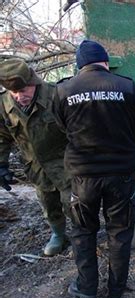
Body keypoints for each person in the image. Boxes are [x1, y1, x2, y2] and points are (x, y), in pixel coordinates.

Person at [54, 40, 135, 298]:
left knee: (83, 232)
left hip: (83, 176)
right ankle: (116, 290)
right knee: (120, 231)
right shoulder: (127, 86)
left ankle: (86, 288)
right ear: (105, 62)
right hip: (121, 173)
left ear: (80, 65)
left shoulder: (63, 90)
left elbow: (62, 127)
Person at [0, 58, 70, 256]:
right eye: (14, 92)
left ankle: (84, 235)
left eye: (23, 91)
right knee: (48, 203)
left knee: (73, 202)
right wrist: (1, 164)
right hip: (36, 166)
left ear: (33, 83)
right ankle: (58, 235)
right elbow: (2, 136)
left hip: (65, 162)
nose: (19, 97)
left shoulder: (56, 94)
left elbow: (77, 128)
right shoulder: (4, 104)